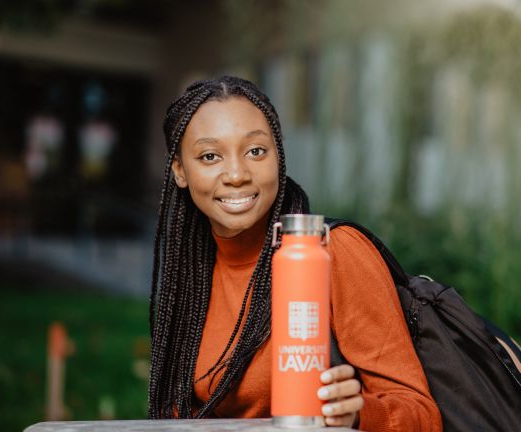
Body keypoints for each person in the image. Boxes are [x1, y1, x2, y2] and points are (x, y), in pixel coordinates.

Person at [147, 75, 442, 430]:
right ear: (180, 171)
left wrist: (357, 412)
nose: (237, 174)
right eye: (210, 156)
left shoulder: (332, 252)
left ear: (278, 153)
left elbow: (422, 415)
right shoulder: (193, 269)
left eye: (256, 151)